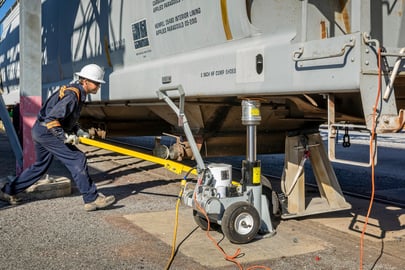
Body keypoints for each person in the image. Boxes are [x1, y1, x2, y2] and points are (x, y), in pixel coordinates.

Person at [0, 64, 115, 211]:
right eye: (97, 83)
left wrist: (77, 130)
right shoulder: (73, 95)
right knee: (77, 158)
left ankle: (7, 191)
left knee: (39, 167)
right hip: (48, 132)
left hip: (40, 130)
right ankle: (92, 199)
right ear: (85, 81)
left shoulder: (76, 92)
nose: (99, 86)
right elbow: (52, 118)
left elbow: (66, 117)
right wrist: (64, 137)